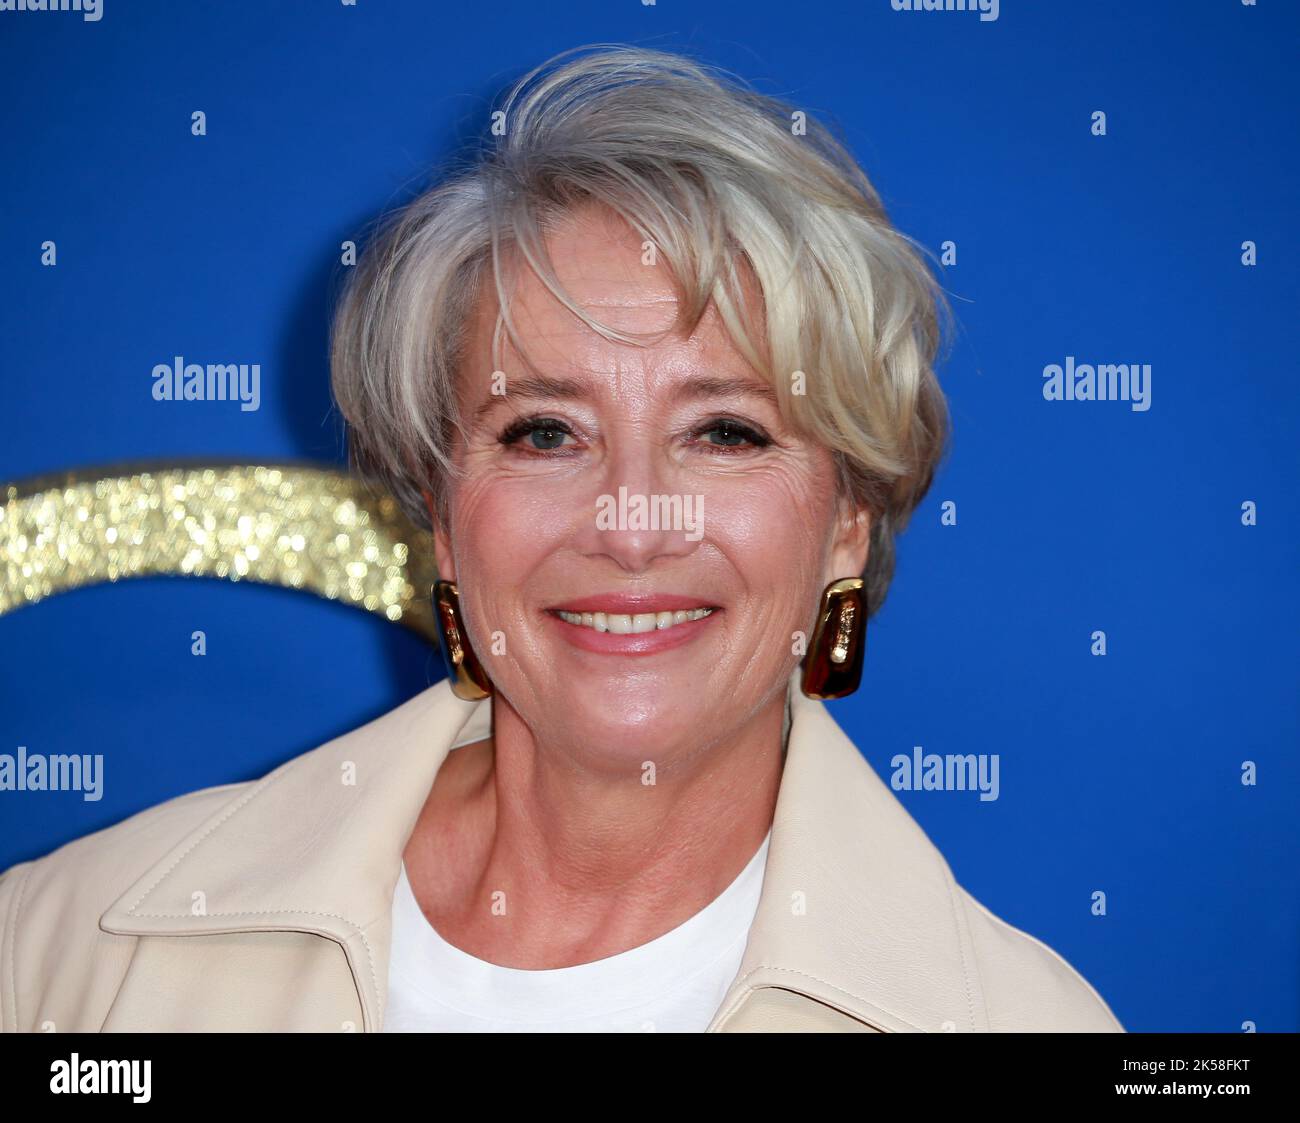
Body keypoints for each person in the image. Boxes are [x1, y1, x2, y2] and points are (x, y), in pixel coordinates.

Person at [0, 44, 1122, 1033]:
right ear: (440, 515)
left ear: (846, 523)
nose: (631, 524)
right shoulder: (66, 952)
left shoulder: (1017, 1022)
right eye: (543, 432)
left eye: (725, 432)